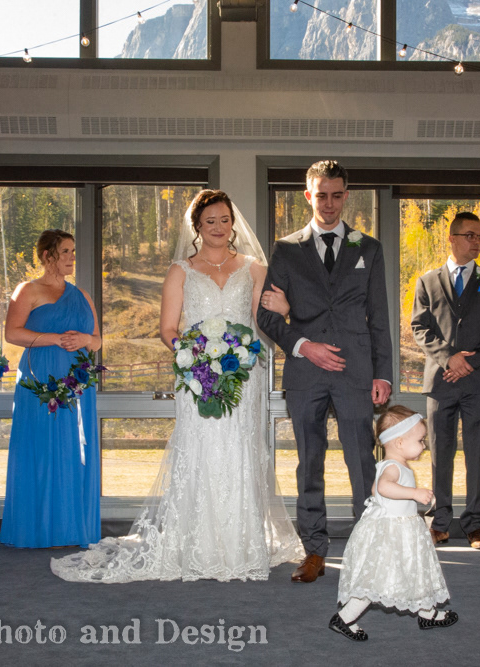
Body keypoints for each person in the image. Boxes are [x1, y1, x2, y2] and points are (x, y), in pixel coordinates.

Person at [51, 189, 303, 582]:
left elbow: (263, 324)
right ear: (197, 227)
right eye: (210, 222)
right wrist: (198, 355)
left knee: (240, 451)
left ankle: (241, 546)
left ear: (232, 223)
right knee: (201, 452)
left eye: (224, 220)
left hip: (242, 376)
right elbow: (168, 329)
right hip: (196, 376)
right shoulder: (180, 271)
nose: (218, 228)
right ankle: (195, 545)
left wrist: (271, 327)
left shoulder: (253, 268)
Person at [257, 160, 393, 583]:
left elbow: (379, 317)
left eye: (336, 195)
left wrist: (383, 374)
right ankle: (314, 551)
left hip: (356, 374)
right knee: (308, 464)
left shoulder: (367, 248)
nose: (329, 204)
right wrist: (304, 345)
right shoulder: (286, 249)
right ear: (308, 195)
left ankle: (369, 550)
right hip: (306, 375)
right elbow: (267, 315)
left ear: (346, 195)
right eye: (321, 195)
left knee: (362, 465)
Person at [411, 211, 480, 549]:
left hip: (478, 382)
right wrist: (447, 358)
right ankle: (439, 521)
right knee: (440, 452)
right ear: (451, 239)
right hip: (440, 382)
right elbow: (420, 327)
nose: (476, 241)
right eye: (470, 235)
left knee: (477, 454)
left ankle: (475, 525)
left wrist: (471, 363)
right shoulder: (427, 281)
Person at [0, 230, 101, 548]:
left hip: (77, 385)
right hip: (39, 381)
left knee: (73, 450)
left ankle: (73, 527)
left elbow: (98, 340)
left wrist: (85, 341)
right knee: (40, 450)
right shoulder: (27, 290)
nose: (72, 257)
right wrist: (54, 339)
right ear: (47, 256)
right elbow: (12, 334)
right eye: (66, 251)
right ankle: (38, 527)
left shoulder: (82, 295)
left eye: (73, 250)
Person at [330, 406, 457, 641]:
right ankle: (344, 618)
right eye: (420, 440)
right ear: (399, 443)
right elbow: (383, 488)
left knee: (415, 571)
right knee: (378, 578)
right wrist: (414, 494)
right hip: (393, 533)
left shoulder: (390, 465)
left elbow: (374, 491)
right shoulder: (392, 467)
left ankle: (427, 612)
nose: (424, 445)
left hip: (401, 529)